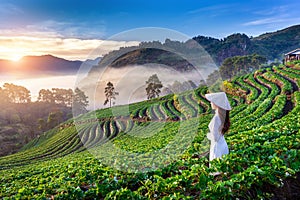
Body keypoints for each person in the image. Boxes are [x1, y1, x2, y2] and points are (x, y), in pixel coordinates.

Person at [205, 92, 231, 163]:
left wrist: (208, 135)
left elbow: (215, 137)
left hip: (217, 147)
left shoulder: (216, 118)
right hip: (223, 145)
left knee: (216, 169)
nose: (210, 103)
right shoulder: (222, 116)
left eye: (212, 102)